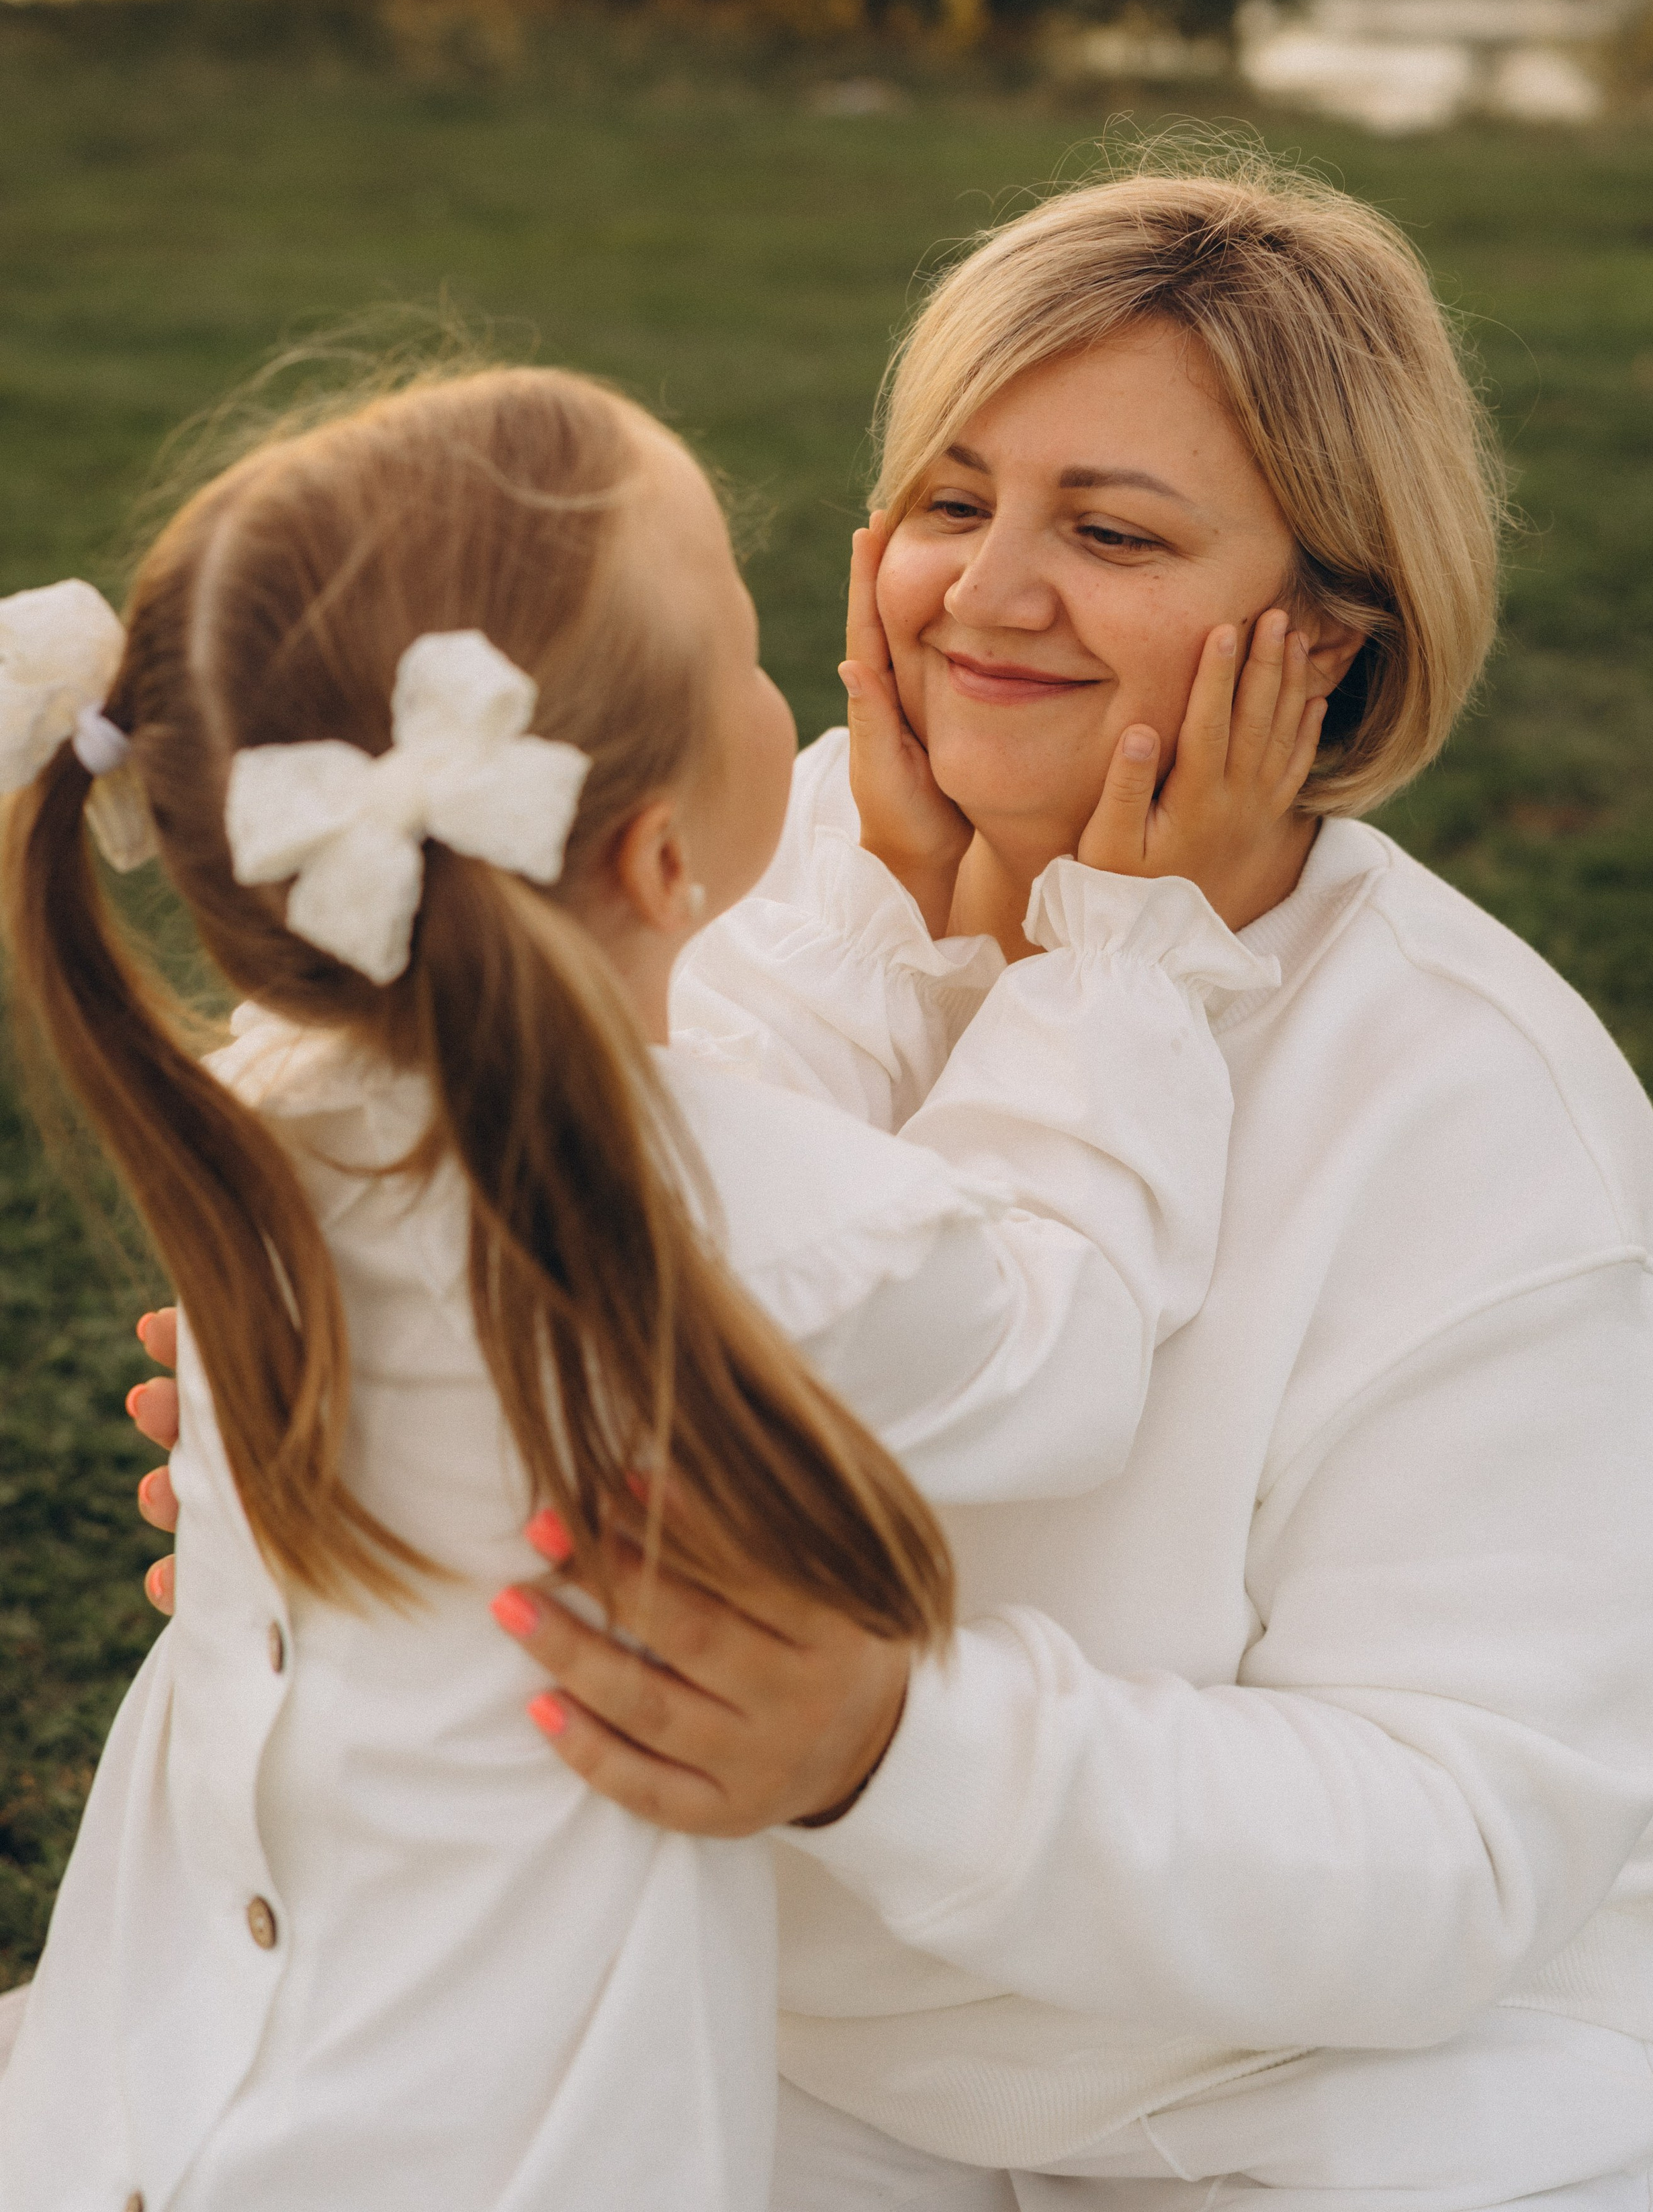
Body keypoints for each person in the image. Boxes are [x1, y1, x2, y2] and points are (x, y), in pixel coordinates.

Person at [484, 159, 1653, 2211]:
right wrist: (350, 1444)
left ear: (1329, 636)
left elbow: (1459, 1858)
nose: (983, 598)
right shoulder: (730, 900)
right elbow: (611, 1379)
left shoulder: (1491, 1130)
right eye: (953, 504)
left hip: (1325, 2092)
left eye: (1113, 531)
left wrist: (892, 1751)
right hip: (786, 2035)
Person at [0, 361, 1317, 2210]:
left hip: (167, 2045)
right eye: (751, 651)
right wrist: (1134, 943)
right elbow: (1068, 1326)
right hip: (492, 2123)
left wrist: (884, 903)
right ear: (659, 856)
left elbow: (679, 1076)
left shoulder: (255, 1113)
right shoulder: (761, 1235)